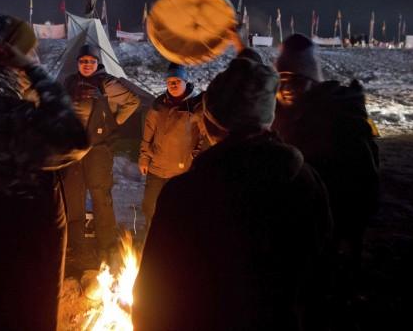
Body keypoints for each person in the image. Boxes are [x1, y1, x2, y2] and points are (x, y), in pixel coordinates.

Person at [133, 52, 332, 331]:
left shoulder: (186, 194)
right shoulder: (304, 182)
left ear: (210, 124)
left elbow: (153, 298)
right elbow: (321, 278)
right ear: (268, 120)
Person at [0, 13, 88, 330]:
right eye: (28, 51)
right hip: (24, 253)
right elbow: (74, 138)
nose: (34, 57)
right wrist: (36, 73)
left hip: (14, 246)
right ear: (3, 55)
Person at [272, 33, 379, 301]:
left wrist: (347, 235)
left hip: (333, 229)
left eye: (296, 79)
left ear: (313, 82)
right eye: (281, 79)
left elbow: (364, 183)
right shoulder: (282, 116)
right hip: (293, 230)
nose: (287, 87)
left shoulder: (341, 120)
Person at [62, 44, 140, 261]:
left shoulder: (106, 83)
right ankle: (76, 246)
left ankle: (107, 244)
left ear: (98, 63)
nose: (87, 65)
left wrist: (114, 122)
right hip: (73, 149)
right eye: (83, 61)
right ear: (78, 63)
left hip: (98, 149)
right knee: (73, 197)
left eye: (91, 61)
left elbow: (134, 101)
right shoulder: (70, 82)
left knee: (100, 196)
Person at [138, 62, 204, 228]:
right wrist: (144, 157)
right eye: (170, 81)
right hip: (156, 167)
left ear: (185, 82)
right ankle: (150, 245)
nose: (173, 84)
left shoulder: (196, 106)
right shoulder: (159, 105)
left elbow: (204, 136)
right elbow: (148, 133)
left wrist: (194, 158)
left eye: (177, 81)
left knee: (177, 212)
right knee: (150, 209)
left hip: (181, 171)